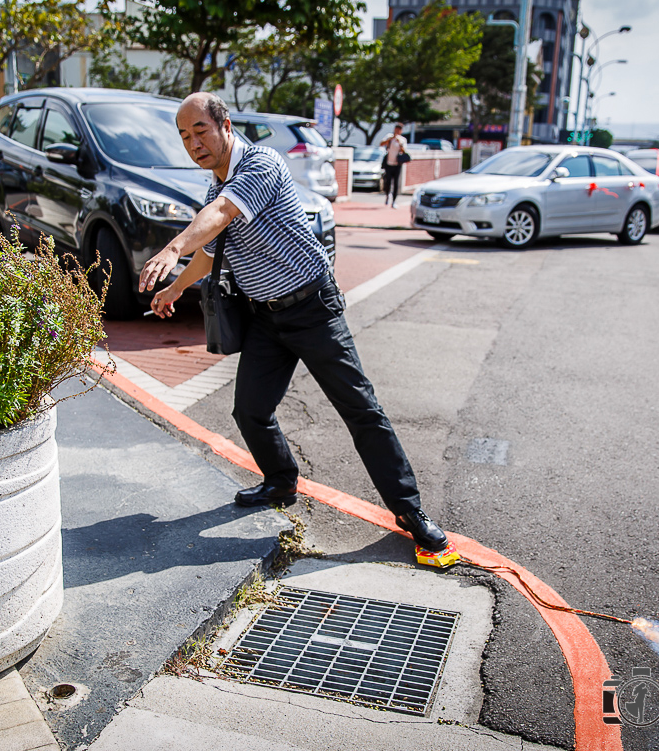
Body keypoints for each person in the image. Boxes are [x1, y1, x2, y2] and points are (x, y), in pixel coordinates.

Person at [137, 93, 449, 554]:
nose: (193, 143)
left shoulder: (260, 164)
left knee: (361, 411)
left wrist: (170, 248)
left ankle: (409, 510)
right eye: (184, 136)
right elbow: (211, 249)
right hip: (266, 317)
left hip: (312, 308)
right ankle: (281, 481)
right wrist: (177, 286)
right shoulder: (214, 187)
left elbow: (220, 217)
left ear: (225, 125)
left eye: (199, 130)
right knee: (250, 410)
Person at [379, 123, 407, 208]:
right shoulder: (389, 136)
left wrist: (399, 143)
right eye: (396, 129)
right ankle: (387, 196)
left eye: (399, 130)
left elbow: (404, 151)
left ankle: (394, 201)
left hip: (397, 164)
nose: (397, 131)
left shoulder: (402, 140)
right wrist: (390, 139)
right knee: (387, 182)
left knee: (396, 183)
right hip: (388, 163)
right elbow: (381, 144)